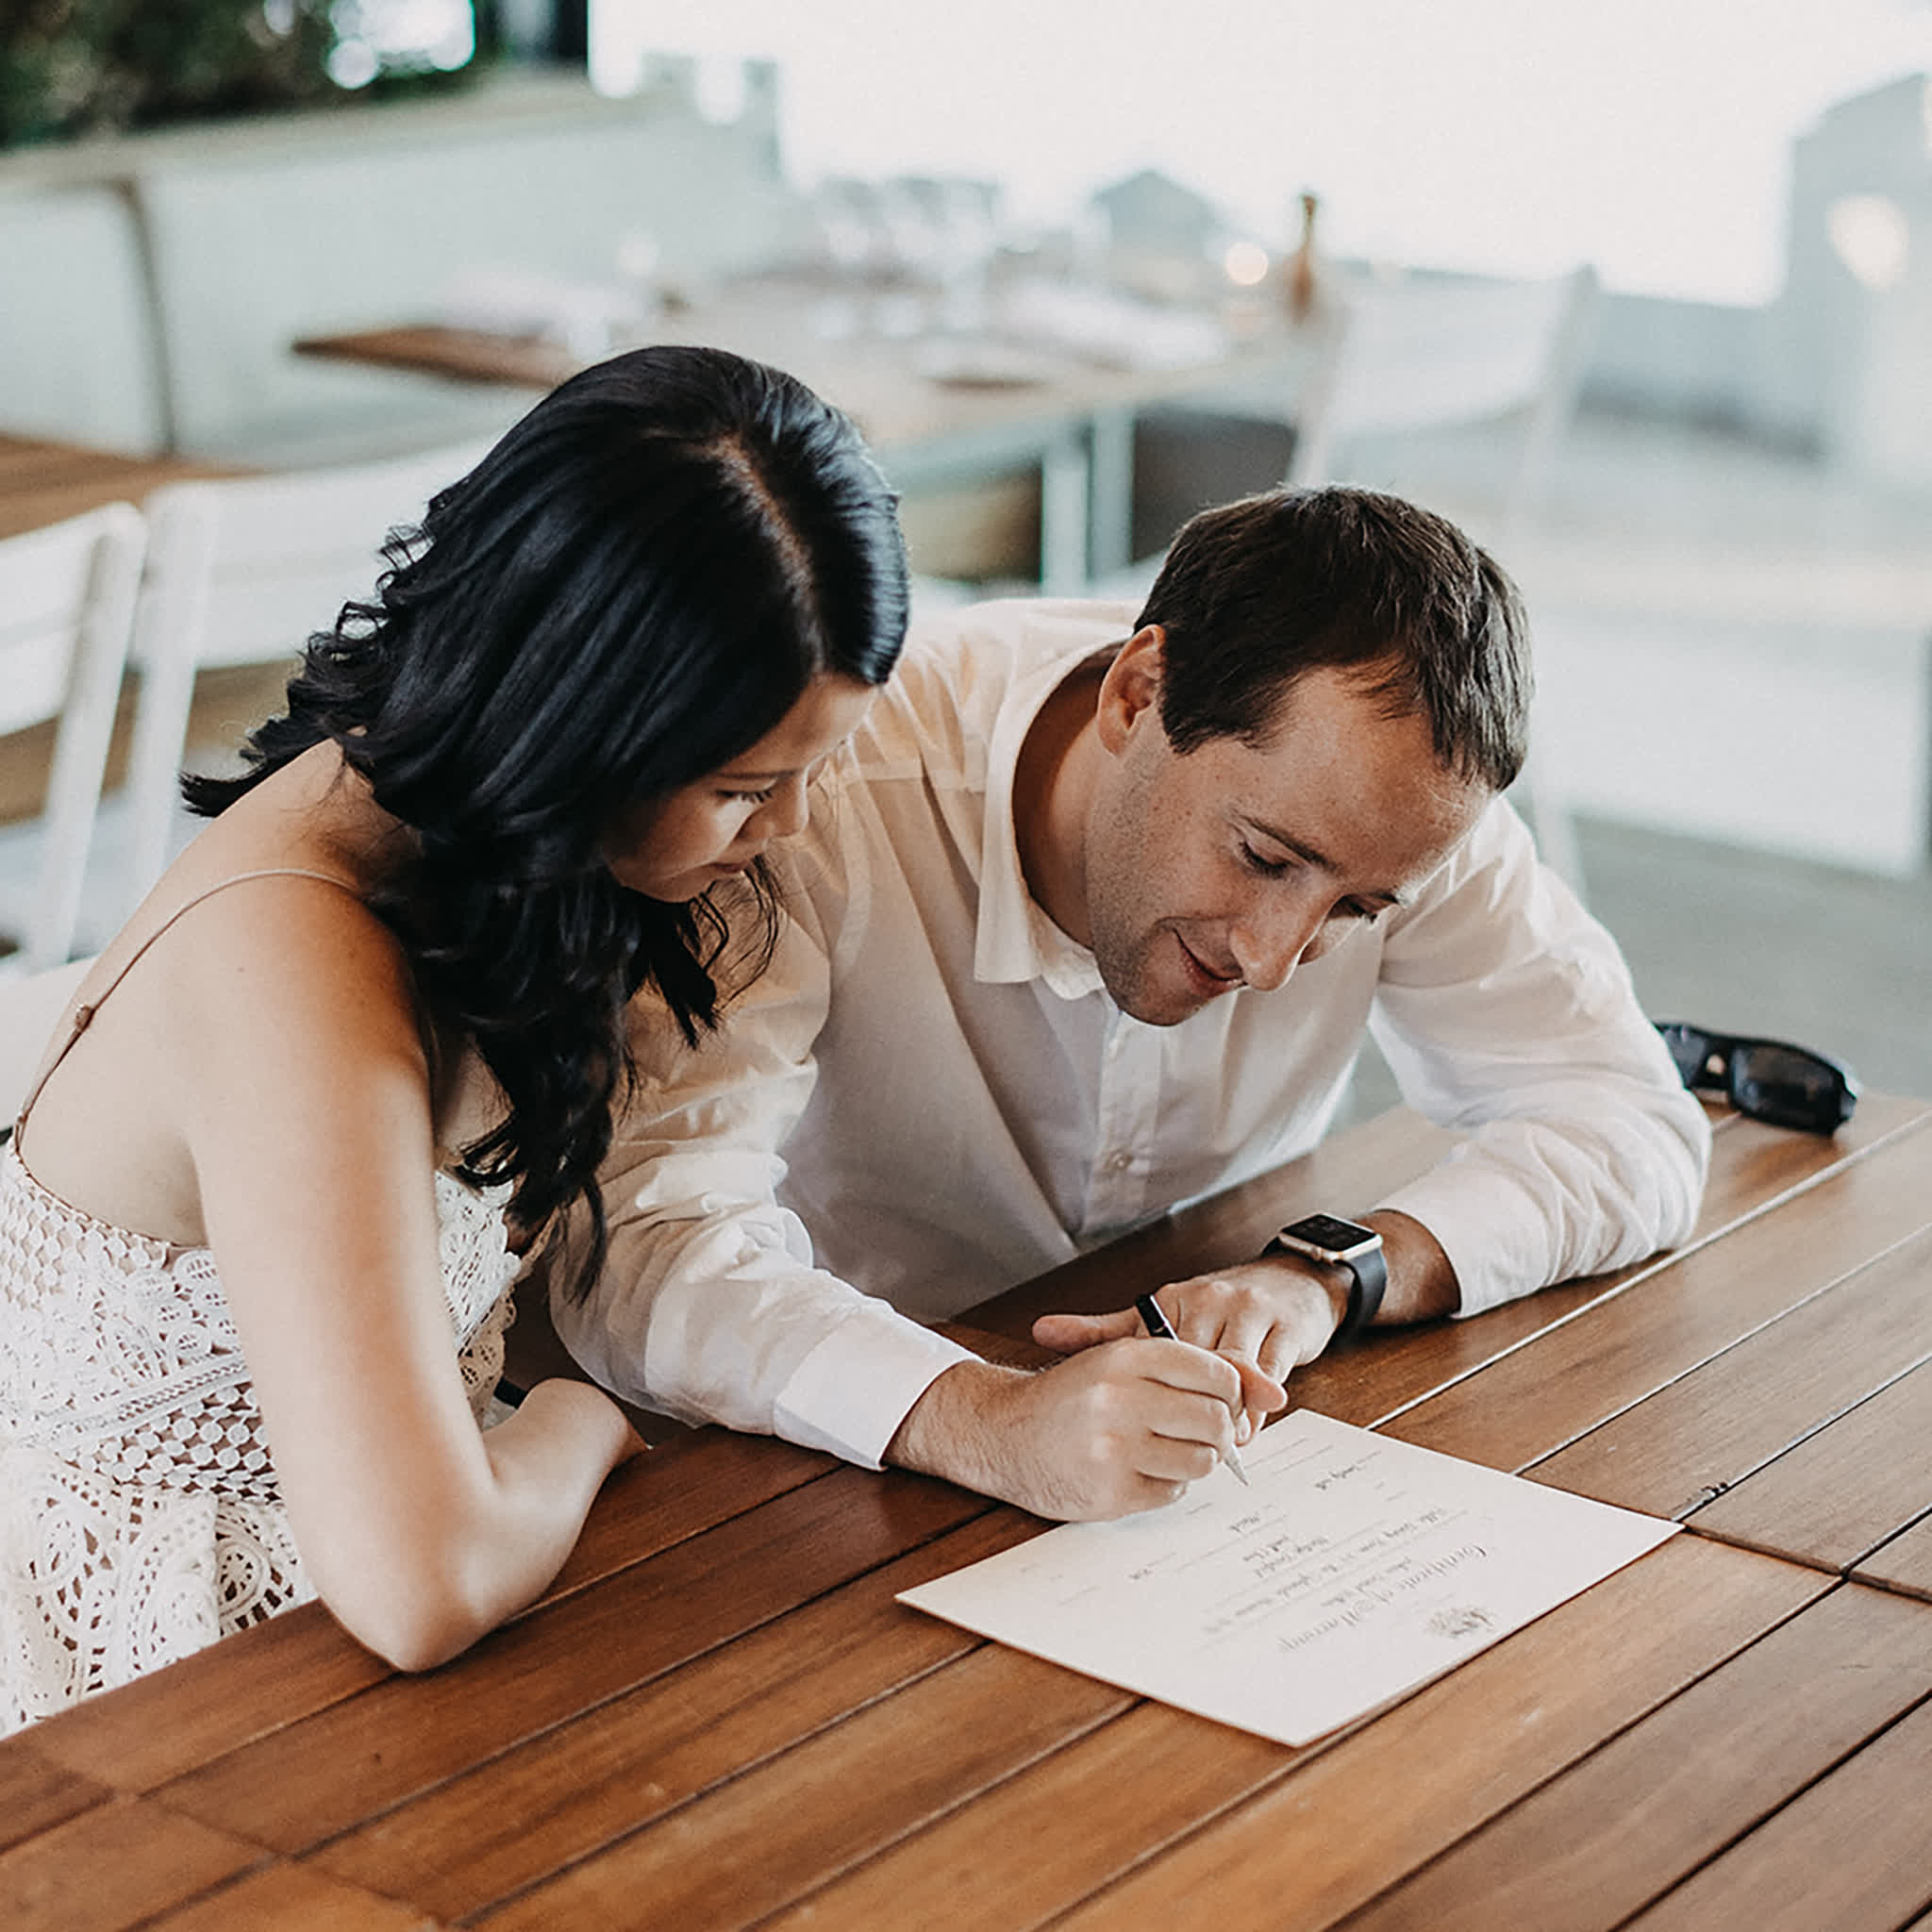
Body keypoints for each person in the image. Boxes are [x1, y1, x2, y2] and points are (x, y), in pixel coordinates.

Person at [0, 344, 909, 1734]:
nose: (784, 828)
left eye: (809, 773)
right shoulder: (293, 952)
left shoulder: (485, 853)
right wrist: (572, 1423)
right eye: (744, 787)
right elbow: (422, 1584)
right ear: (577, 726)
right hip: (143, 1689)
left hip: (357, 1616)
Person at [555, 484, 1710, 1522]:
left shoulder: (1396, 809)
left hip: (1195, 1465)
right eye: (1263, 858)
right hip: (811, 1468)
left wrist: (1328, 1272)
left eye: (1355, 910)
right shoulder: (814, 791)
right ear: (1136, 692)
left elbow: (1629, 1120)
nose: (1273, 960)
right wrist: (982, 1417)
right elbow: (643, 1243)